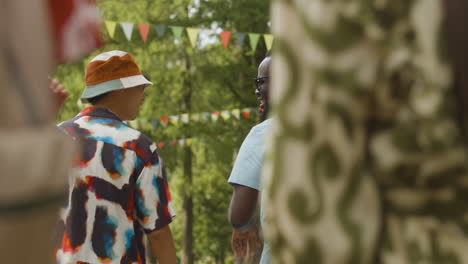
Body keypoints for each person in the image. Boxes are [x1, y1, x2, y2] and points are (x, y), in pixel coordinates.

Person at [56, 50, 176, 264]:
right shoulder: (139, 148)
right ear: (121, 90)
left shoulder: (54, 138)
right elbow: (157, 232)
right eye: (140, 86)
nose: (143, 94)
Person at [228, 52, 272, 263]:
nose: (256, 90)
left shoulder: (262, 134)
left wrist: (244, 226)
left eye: (261, 82)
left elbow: (239, 215)